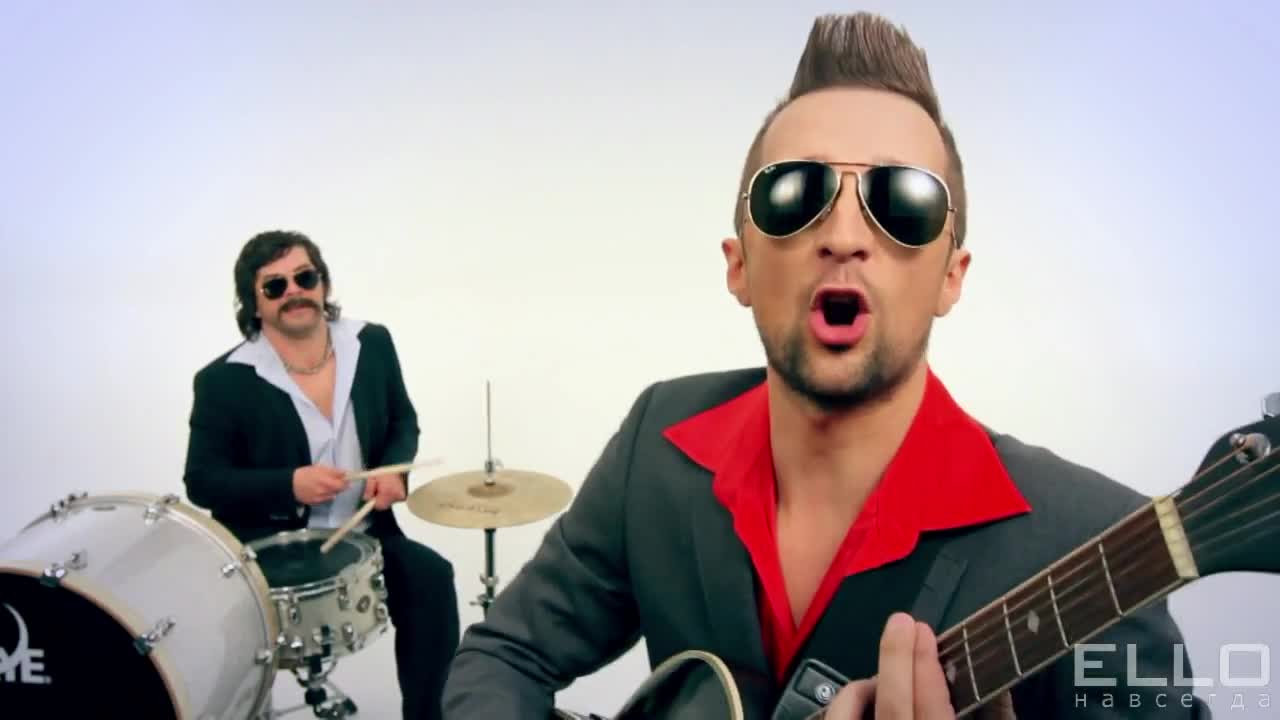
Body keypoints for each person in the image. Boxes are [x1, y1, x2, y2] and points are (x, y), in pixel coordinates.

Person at [441, 11, 1211, 720]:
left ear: (951, 277)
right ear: (739, 265)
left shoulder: (1098, 543)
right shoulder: (657, 441)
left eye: (902, 202)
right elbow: (504, 655)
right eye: (795, 194)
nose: (844, 235)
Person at [182, 230, 460, 720]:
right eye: (275, 286)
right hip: (271, 550)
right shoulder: (223, 380)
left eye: (304, 278)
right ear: (254, 302)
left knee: (431, 578)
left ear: (323, 283)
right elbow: (202, 480)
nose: (294, 292)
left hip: (366, 535)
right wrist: (289, 484)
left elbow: (402, 420)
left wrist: (394, 473)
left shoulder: (370, 343)